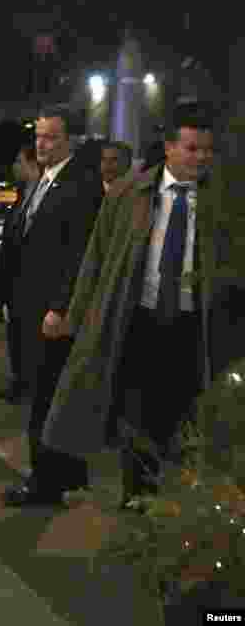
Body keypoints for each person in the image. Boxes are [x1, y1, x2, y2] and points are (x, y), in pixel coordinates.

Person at [44, 105, 242, 510]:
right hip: (139, 319)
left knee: (189, 410)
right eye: (191, 148)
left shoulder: (223, 202)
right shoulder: (128, 194)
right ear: (169, 147)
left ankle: (187, 495)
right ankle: (139, 494)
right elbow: (95, 258)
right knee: (137, 410)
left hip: (196, 324)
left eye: (206, 149)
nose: (200, 157)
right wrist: (73, 314)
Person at [0, 106, 103, 507]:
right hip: (28, 309)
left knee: (46, 398)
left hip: (52, 313)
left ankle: (45, 482)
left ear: (69, 141)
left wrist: (60, 306)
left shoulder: (80, 185)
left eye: (51, 138)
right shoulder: (39, 182)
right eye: (38, 137)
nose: (42, 144)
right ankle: (64, 476)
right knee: (42, 394)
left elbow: (79, 254)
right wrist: (5, 298)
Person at [0, 144, 40, 404]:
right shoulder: (23, 193)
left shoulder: (40, 193)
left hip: (29, 280)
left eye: (19, 162)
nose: (14, 167)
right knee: (16, 334)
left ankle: (28, 384)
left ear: (31, 164)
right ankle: (21, 381)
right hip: (15, 280)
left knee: (28, 337)